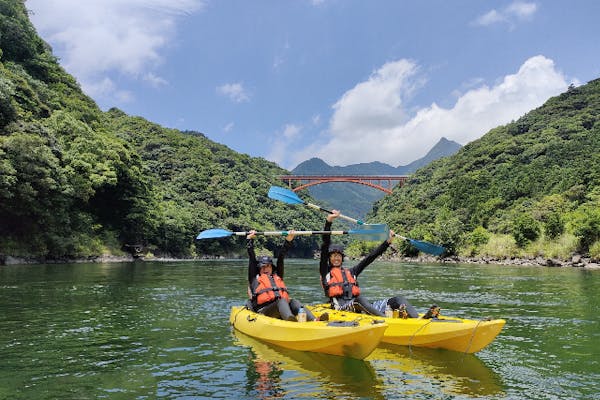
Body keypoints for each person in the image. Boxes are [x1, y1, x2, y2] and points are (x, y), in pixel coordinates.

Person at [320, 210, 420, 318]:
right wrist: (329, 221)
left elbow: (370, 257)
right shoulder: (326, 271)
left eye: (338, 255)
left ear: (342, 258)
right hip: (342, 310)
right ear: (329, 258)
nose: (336, 258)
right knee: (360, 300)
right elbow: (325, 245)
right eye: (333, 256)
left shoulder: (352, 272)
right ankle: (386, 321)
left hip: (360, 306)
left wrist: (387, 242)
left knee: (398, 300)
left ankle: (418, 320)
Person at [247, 229, 322, 322]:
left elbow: (281, 257)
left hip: (280, 307)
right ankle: (290, 321)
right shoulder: (254, 279)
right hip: (264, 311)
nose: (265, 269)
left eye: (268, 266)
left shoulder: (277, 276)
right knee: (282, 301)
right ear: (258, 269)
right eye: (262, 267)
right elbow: (252, 259)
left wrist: (288, 241)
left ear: (272, 268)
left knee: (294, 302)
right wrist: (250, 240)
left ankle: (314, 320)